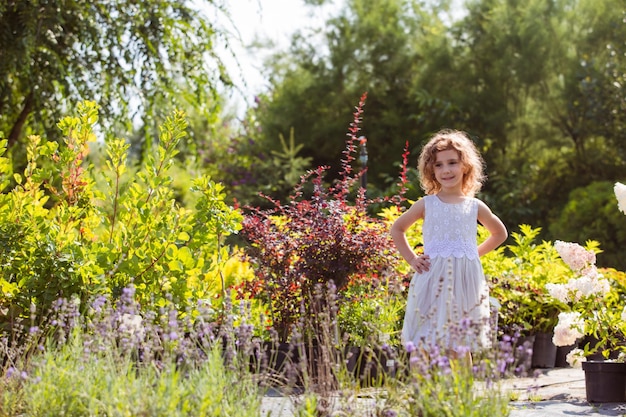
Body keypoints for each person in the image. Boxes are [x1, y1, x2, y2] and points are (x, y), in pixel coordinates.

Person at [390, 129, 507, 356]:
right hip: (432, 278)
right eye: (438, 165)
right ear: (431, 171)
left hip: (464, 282)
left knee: (460, 345)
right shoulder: (427, 204)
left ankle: (460, 392)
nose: (446, 170)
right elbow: (397, 228)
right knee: (424, 341)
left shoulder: (475, 206)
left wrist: (471, 254)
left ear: (465, 166)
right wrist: (412, 259)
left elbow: (499, 233)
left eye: (452, 162)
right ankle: (422, 391)